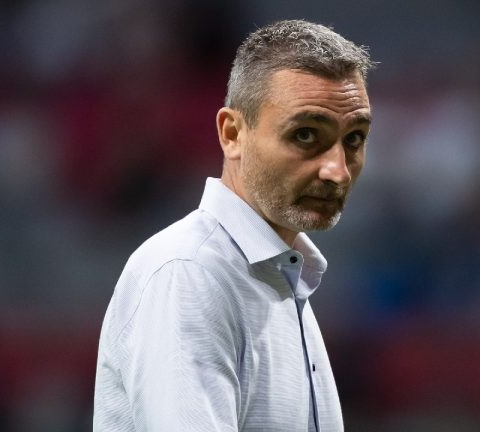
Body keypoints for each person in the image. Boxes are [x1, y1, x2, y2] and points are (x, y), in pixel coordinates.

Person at [93, 19, 374, 432]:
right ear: (232, 134)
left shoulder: (283, 278)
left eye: (353, 139)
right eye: (306, 135)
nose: (338, 171)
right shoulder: (189, 273)